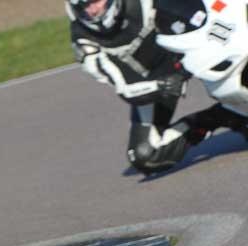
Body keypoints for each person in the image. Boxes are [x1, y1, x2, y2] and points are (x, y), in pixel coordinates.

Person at [66, 0, 247, 175]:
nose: (92, 10)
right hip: (150, 84)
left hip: (181, 50)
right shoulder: (84, 43)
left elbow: (204, 9)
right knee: (146, 154)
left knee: (229, 55)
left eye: (95, 1)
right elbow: (125, 89)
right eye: (83, 6)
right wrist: (162, 84)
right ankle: (226, 116)